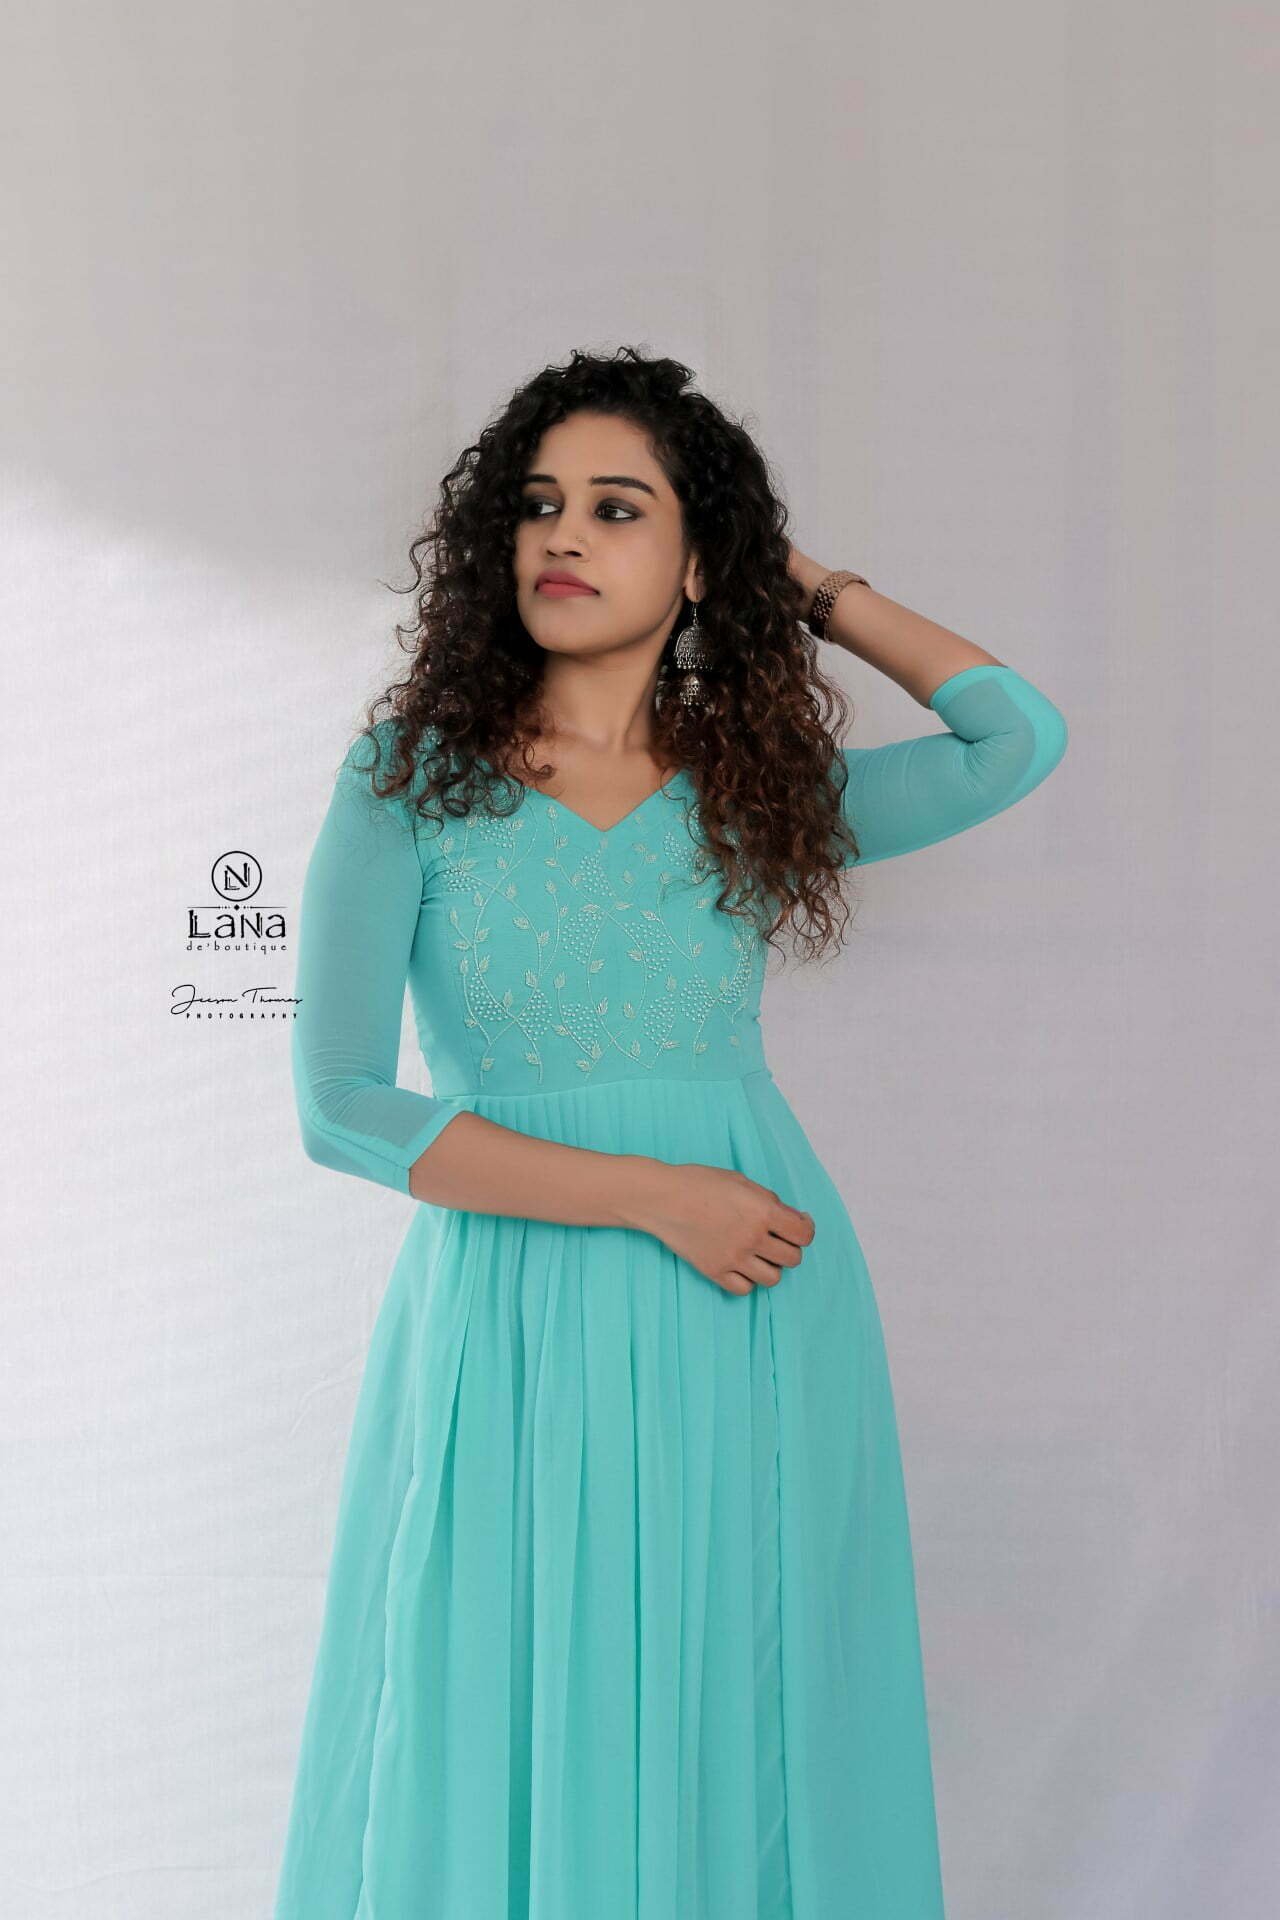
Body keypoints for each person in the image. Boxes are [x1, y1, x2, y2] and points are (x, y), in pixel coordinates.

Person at [272, 345, 1068, 1920]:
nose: (565, 534)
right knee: (498, 1672)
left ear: (699, 561)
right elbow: (341, 1106)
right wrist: (650, 1195)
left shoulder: (749, 790)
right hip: (518, 1306)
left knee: (737, 1688)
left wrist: (803, 583)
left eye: (619, 508)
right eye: (538, 505)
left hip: (745, 1310)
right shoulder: (410, 780)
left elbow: (1015, 739)